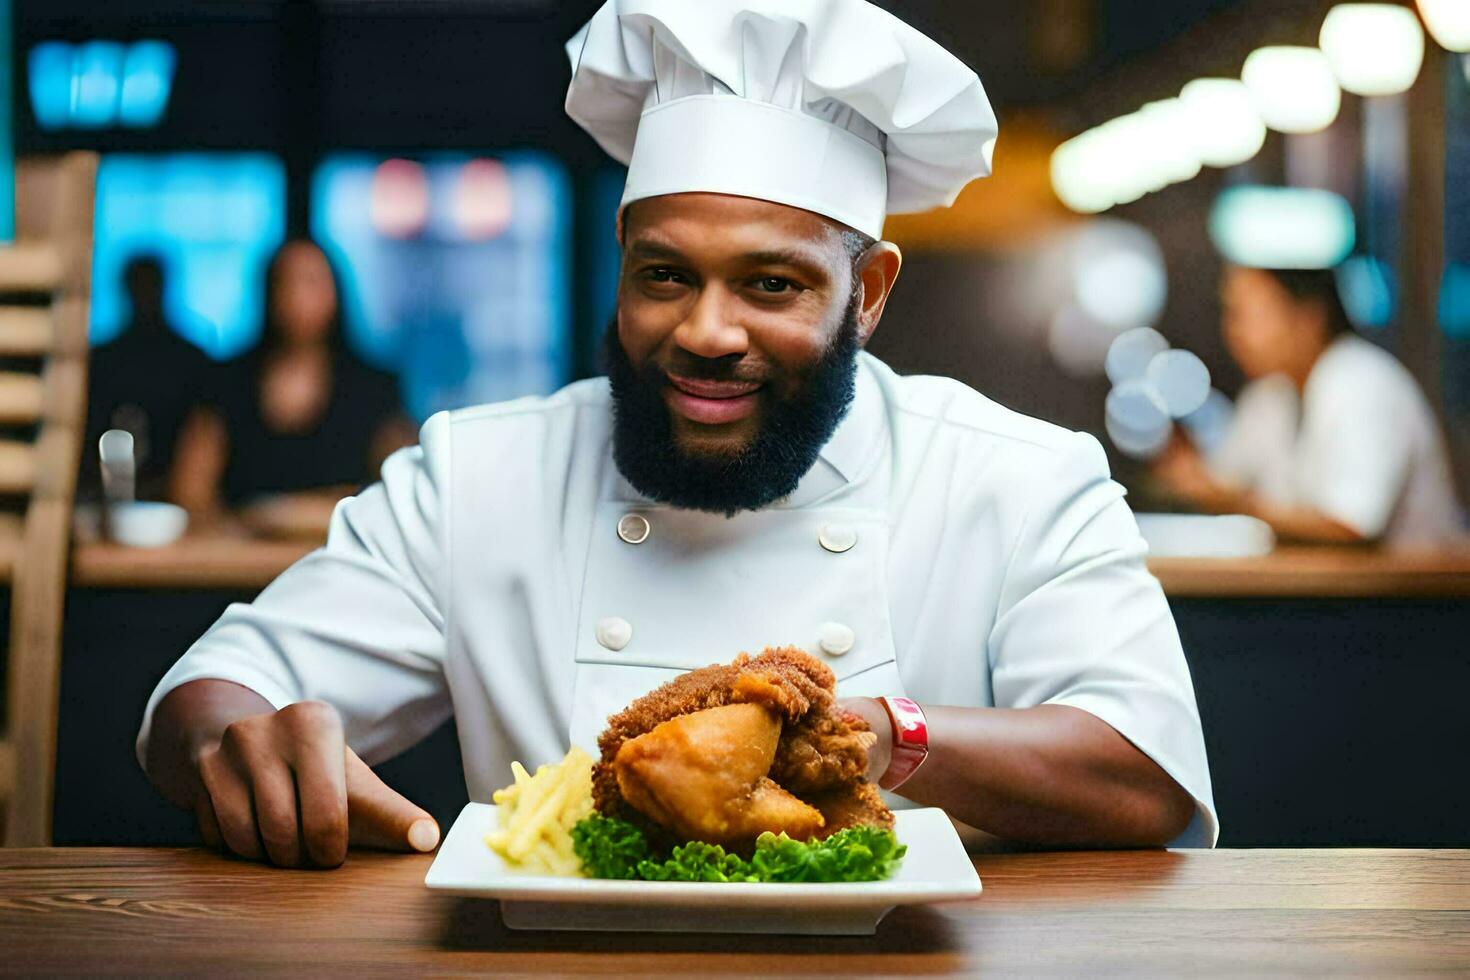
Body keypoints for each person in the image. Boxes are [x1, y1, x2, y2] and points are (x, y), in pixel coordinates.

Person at [138, 0, 1216, 870]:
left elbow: (1148, 770)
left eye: (771, 283)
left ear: (869, 292)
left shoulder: (1017, 477)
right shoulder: (482, 473)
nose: (704, 331)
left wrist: (884, 735)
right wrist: (240, 741)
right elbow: (219, 684)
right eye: (664, 274)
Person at [1155, 265, 1466, 547]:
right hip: (1337, 597)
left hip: (1422, 599)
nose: (1232, 331)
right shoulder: (1271, 394)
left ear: (1308, 317)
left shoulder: (1360, 380)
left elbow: (1349, 525)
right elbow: (1227, 480)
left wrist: (1235, 502)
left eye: (1246, 313)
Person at [170, 239, 416, 533]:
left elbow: (401, 493)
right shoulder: (226, 382)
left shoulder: (374, 386)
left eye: (311, 282)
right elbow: (190, 492)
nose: (296, 296)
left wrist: (288, 515)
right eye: (285, 282)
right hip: (240, 561)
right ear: (267, 292)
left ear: (336, 291)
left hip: (346, 562)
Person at [82, 254, 219, 505]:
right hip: (105, 494)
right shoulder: (102, 361)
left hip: (182, 495)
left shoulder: (192, 360)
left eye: (149, 284)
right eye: (139, 285)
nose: (144, 294)